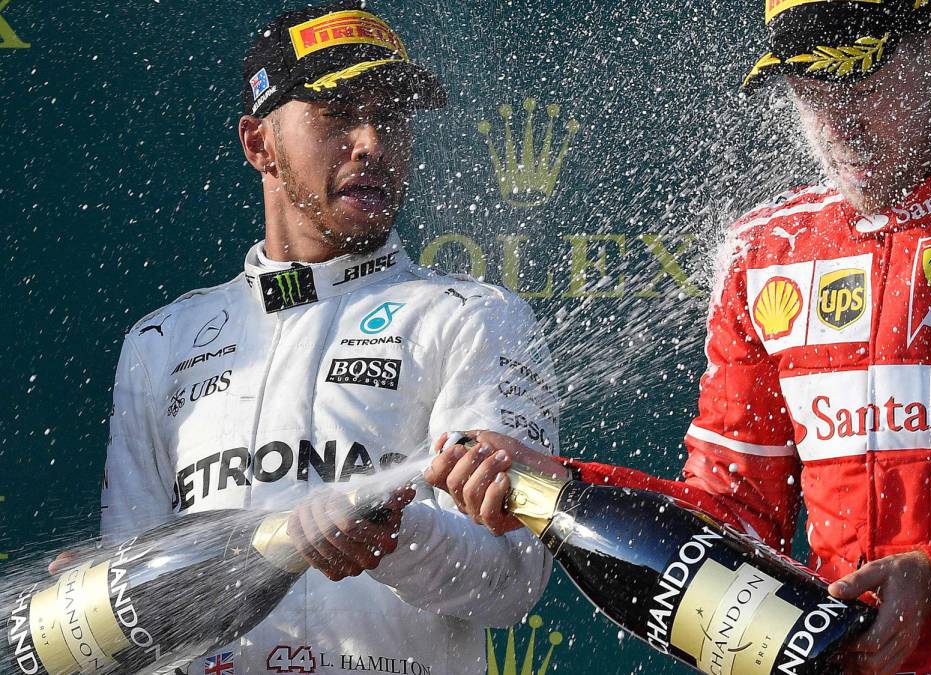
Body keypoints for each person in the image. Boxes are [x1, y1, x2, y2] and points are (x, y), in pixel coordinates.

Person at [426, 1, 931, 673]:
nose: (834, 120)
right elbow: (731, 520)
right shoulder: (768, 252)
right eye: (806, 84)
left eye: (858, 77)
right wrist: (567, 485)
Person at [60, 2, 560, 673]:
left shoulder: (471, 317)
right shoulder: (161, 343)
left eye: (391, 117)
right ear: (258, 144)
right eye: (338, 114)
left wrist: (395, 536)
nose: (372, 142)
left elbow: (513, 580)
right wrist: (102, 604)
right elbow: (137, 607)